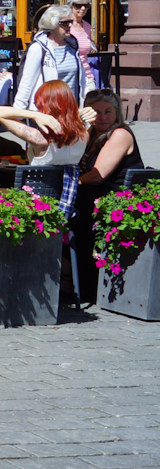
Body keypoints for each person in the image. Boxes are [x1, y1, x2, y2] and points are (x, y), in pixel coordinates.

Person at [71, 89, 143, 306]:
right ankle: (69, 277)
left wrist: (70, 184)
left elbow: (97, 175)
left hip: (115, 198)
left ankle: (82, 283)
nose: (102, 117)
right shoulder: (92, 133)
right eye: (96, 112)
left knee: (73, 213)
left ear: (117, 113)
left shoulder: (120, 134)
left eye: (108, 112)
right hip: (96, 194)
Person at [0, 81, 89, 167]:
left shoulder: (40, 139)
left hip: (38, 185)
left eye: (39, 107)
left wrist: (35, 115)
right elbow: (69, 120)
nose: (37, 109)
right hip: (69, 185)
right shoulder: (84, 135)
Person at [15, 6, 81, 111]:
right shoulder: (38, 48)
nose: (69, 25)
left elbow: (82, 79)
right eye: (64, 23)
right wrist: (19, 112)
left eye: (71, 22)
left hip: (71, 110)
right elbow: (26, 83)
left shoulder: (73, 47)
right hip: (46, 110)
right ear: (52, 24)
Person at [67, 0, 99, 94]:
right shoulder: (65, 26)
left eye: (86, 6)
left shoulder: (88, 27)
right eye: (78, 5)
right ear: (70, 5)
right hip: (69, 76)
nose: (83, 8)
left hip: (87, 75)